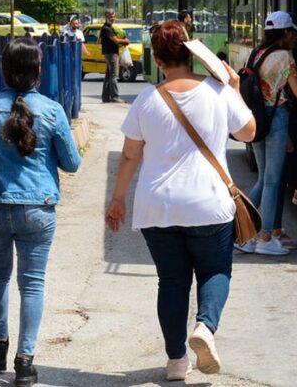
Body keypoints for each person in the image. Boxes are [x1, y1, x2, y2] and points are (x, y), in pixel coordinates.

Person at [106, 20, 256, 381]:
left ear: (157, 59)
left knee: (172, 282)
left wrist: (118, 199)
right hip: (209, 204)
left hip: (157, 207)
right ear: (191, 52)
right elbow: (249, 131)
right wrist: (235, 88)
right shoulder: (219, 92)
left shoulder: (146, 100)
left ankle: (176, 362)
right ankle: (204, 327)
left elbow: (130, 155)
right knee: (215, 271)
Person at [0, 38, 82, 386]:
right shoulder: (52, 110)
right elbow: (72, 163)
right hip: (38, 210)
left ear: (2, 69)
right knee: (32, 284)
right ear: (37, 72)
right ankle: (25, 362)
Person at [236, 10, 297, 256]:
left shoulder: (255, 54)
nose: (295, 37)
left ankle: (241, 229)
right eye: (292, 32)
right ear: (285, 32)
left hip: (256, 119)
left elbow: (279, 83)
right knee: (273, 180)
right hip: (276, 119)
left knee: (264, 178)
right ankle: (265, 237)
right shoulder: (285, 57)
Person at [99, 11, 129, 103]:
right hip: (111, 54)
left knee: (108, 75)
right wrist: (125, 41)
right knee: (113, 75)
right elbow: (115, 40)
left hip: (110, 54)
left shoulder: (110, 28)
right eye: (110, 16)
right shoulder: (106, 29)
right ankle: (115, 97)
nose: (112, 18)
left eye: (113, 16)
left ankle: (105, 97)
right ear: (106, 17)